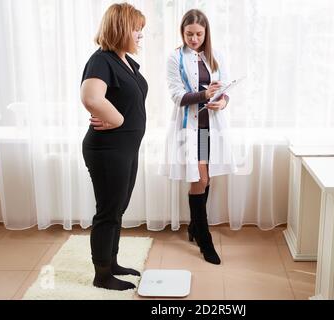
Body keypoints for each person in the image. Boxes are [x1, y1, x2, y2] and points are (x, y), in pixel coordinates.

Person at [160, 9, 237, 264]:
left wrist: (222, 102)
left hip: (209, 128)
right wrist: (204, 96)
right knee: (198, 178)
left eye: (199, 34)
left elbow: (224, 89)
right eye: (189, 34)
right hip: (189, 129)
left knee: (205, 178)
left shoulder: (215, 56)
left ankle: (194, 226)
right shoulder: (175, 58)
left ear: (206, 33)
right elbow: (176, 96)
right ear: (182, 33)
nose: (194, 39)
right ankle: (205, 241)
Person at [80, 3, 148, 291]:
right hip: (108, 150)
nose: (140, 35)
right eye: (136, 29)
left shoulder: (125, 61)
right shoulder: (101, 60)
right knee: (108, 211)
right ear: (121, 29)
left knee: (118, 208)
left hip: (125, 149)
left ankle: (113, 261)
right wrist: (117, 118)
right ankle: (102, 275)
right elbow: (91, 97)